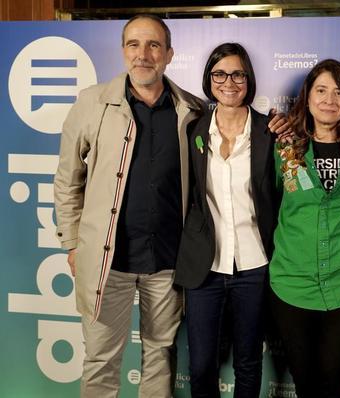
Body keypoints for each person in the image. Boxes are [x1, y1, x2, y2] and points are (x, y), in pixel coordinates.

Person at [54, 14, 205, 397]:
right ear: (123, 51)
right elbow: (68, 179)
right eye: (134, 45)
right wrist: (72, 244)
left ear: (169, 54)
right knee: (102, 361)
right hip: (110, 262)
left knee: (160, 358)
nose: (143, 55)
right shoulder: (93, 102)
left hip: (168, 263)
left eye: (154, 45)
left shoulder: (193, 110)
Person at [174, 42, 280, 398]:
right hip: (205, 266)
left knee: (248, 360)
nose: (229, 82)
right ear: (209, 79)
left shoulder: (272, 132)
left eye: (237, 74)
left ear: (248, 79)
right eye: (220, 74)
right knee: (202, 363)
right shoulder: (193, 130)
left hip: (254, 265)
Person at [268, 59, 340, 398]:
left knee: (332, 384)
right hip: (292, 283)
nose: (329, 99)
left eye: (338, 92)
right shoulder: (285, 146)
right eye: (321, 90)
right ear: (307, 96)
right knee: (305, 385)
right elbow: (272, 202)